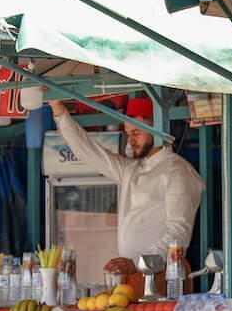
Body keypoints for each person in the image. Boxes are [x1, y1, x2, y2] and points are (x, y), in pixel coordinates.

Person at [50, 96, 204, 277]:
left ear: (157, 130)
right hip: (130, 275)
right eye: (128, 133)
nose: (131, 140)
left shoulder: (177, 172)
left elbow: (178, 234)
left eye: (136, 133)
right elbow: (88, 151)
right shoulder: (131, 169)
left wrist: (138, 263)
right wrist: (58, 109)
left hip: (163, 276)